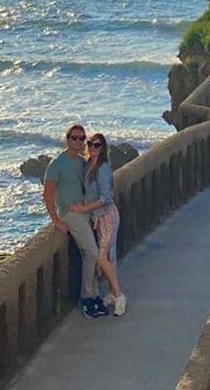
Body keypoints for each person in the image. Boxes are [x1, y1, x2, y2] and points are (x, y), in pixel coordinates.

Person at [43, 124, 109, 318]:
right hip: (70, 214)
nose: (78, 141)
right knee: (92, 253)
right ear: (67, 139)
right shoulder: (57, 164)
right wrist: (56, 220)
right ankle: (87, 297)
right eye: (74, 138)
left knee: (95, 254)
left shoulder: (82, 162)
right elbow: (47, 194)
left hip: (85, 212)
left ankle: (95, 295)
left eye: (82, 138)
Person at [68, 133, 126, 316]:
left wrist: (82, 209)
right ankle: (112, 294)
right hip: (97, 219)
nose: (92, 147)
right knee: (106, 258)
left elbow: (105, 198)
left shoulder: (103, 169)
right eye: (90, 144)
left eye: (97, 145)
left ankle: (119, 296)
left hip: (107, 217)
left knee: (101, 259)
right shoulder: (87, 165)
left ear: (103, 148)